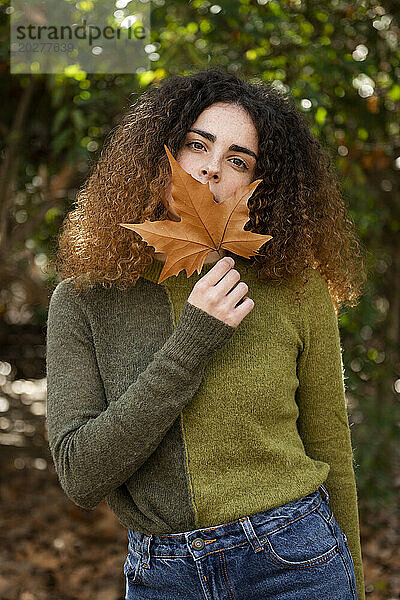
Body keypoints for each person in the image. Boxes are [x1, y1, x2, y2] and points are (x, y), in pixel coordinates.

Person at [46, 66, 367, 599]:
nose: (211, 170)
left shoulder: (293, 284)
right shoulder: (85, 298)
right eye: (197, 145)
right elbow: (81, 475)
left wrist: (353, 577)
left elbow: (330, 441)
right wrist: (193, 339)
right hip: (163, 575)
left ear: (257, 183)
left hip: (294, 560)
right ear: (158, 152)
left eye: (238, 159)